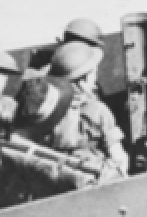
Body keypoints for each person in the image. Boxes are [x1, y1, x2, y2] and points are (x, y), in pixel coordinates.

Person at [45, 42, 128, 179]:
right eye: (94, 73)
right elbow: (119, 159)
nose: (95, 79)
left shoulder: (46, 108)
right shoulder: (99, 110)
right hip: (92, 180)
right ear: (83, 80)